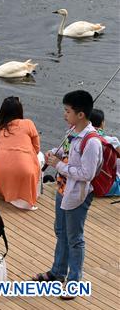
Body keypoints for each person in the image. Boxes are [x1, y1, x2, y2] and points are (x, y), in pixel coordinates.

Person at [34, 90, 103, 296]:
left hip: (77, 195)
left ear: (80, 114)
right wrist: (55, 154)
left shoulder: (91, 142)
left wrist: (60, 167)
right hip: (63, 190)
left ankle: (74, 282)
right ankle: (57, 272)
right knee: (61, 232)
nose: (65, 115)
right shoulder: (73, 132)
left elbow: (87, 173)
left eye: (68, 111)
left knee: (75, 238)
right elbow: (67, 152)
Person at [0, 96, 42, 210]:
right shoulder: (28, 124)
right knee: (40, 157)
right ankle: (32, 194)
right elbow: (37, 149)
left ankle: (4, 192)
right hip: (24, 170)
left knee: (8, 164)